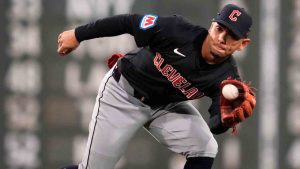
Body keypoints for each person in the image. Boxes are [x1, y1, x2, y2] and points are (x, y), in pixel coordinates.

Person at [57, 4, 256, 169]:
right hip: (123, 93)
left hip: (165, 106)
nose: (222, 37)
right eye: (220, 28)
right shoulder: (178, 31)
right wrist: (78, 34)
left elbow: (214, 125)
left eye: (231, 35)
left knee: (205, 147)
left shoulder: (228, 77)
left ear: (242, 44)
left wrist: (225, 120)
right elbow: (129, 22)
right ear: (212, 25)